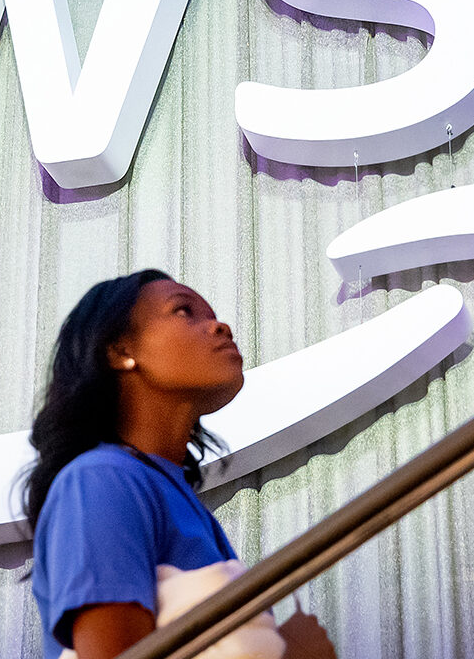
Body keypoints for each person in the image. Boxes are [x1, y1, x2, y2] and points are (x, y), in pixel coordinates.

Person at [26, 270, 338, 659]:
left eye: (211, 314)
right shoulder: (100, 480)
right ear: (121, 351)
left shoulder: (171, 494)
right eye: (184, 311)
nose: (219, 326)